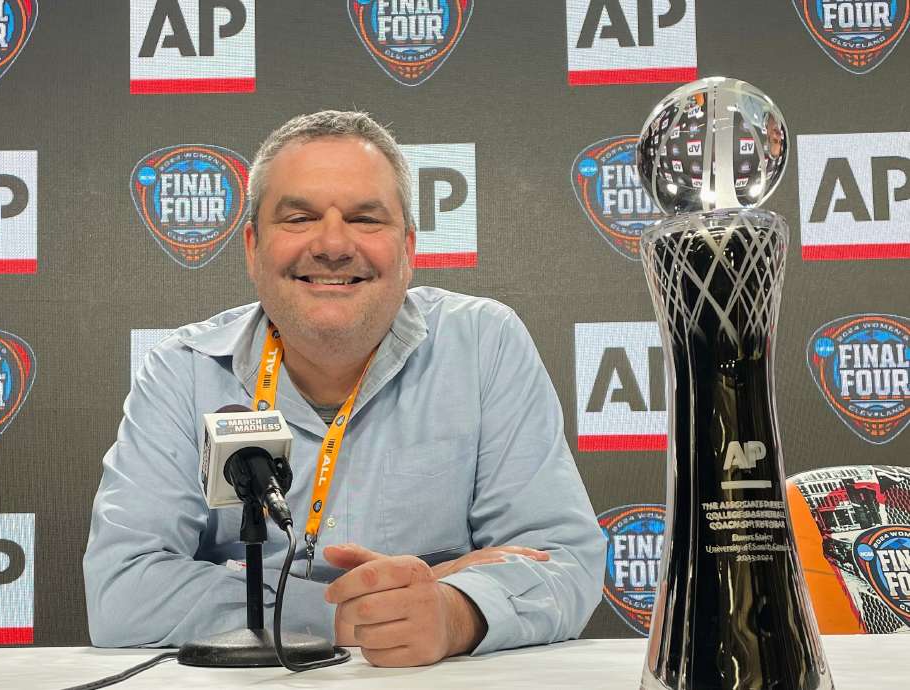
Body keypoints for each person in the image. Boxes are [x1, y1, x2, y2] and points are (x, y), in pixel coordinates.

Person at [83, 110, 605, 667]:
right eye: (300, 217)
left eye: (364, 218)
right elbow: (122, 593)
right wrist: (344, 612)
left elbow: (563, 563)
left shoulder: (485, 344)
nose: (333, 245)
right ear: (253, 248)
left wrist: (453, 614)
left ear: (408, 249)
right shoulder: (182, 371)